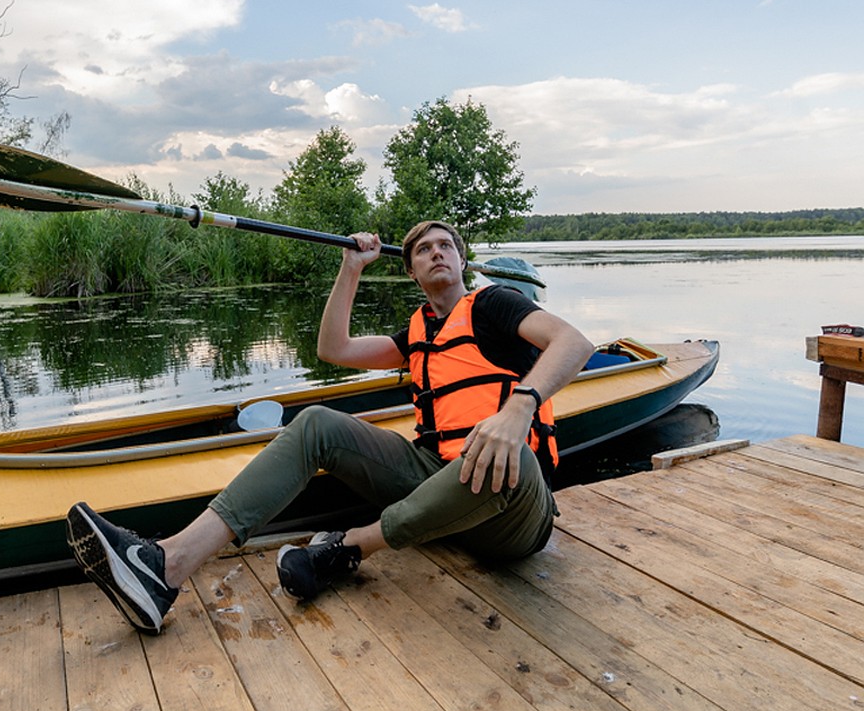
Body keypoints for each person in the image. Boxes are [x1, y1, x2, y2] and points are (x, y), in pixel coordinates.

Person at [65, 220, 595, 634]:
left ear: (460, 261)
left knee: (508, 454)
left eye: (445, 246)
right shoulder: (415, 334)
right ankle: (166, 565)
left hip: (512, 510)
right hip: (438, 482)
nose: (436, 252)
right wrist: (351, 269)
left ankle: (347, 548)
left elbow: (575, 343)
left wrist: (517, 409)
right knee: (317, 422)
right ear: (411, 271)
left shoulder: (496, 305)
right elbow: (331, 350)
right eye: (422, 249)